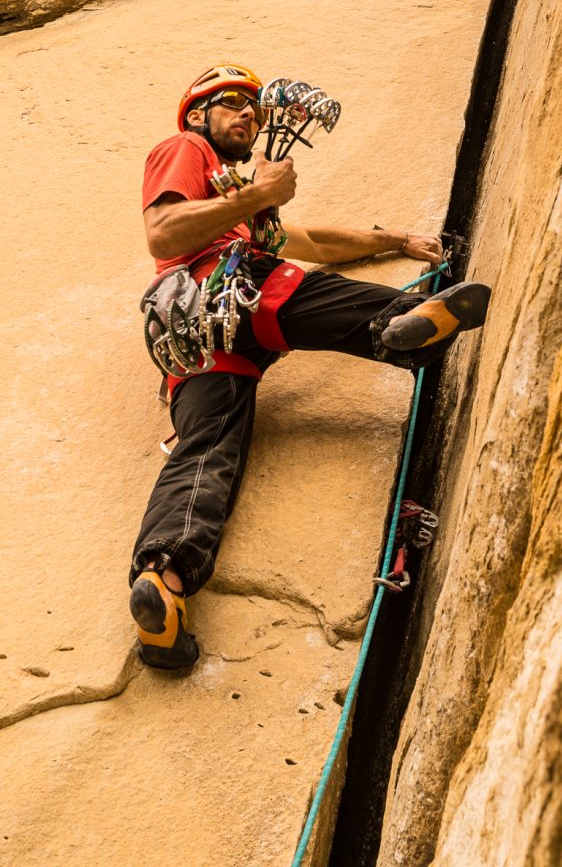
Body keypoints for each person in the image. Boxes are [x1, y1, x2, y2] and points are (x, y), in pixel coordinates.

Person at [129, 61, 491, 670]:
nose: (250, 114)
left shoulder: (234, 207)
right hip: (222, 290)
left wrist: (393, 240)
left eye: (254, 107)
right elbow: (163, 232)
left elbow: (313, 243)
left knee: (206, 450)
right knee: (294, 293)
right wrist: (260, 193)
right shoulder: (186, 149)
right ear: (198, 115)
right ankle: (399, 326)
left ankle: (163, 582)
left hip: (198, 343)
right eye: (232, 104)